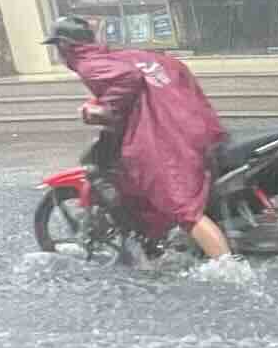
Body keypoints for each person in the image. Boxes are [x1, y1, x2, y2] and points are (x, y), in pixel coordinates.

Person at [41, 15, 234, 260]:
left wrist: (103, 109)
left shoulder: (88, 64)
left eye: (57, 48)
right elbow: (173, 70)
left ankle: (228, 268)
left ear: (66, 46)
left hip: (167, 136)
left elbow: (127, 79)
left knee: (184, 208)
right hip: (191, 125)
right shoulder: (128, 55)